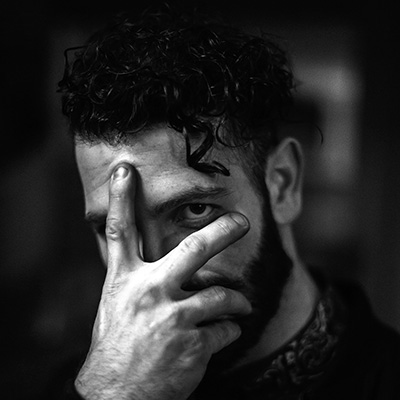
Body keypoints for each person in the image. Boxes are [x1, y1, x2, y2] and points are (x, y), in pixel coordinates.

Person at [57, 4, 400, 399]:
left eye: (193, 210)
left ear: (282, 184)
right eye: (112, 228)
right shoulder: (81, 387)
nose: (153, 273)